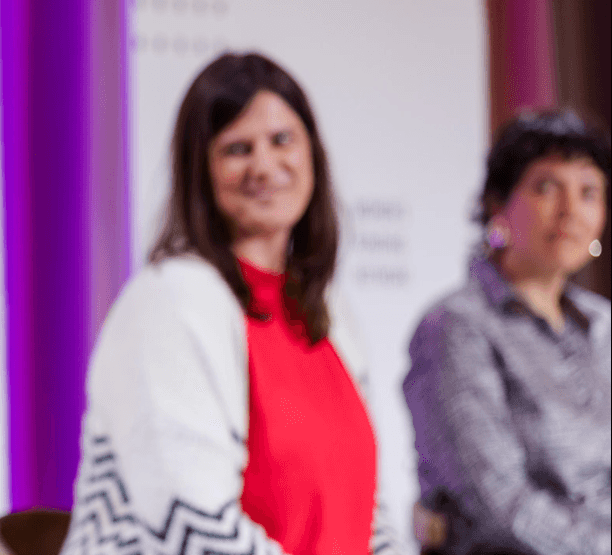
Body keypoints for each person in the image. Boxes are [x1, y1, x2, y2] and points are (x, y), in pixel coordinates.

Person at [60, 53, 399, 554]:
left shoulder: (327, 309)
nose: (264, 165)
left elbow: (371, 514)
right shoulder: (168, 300)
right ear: (201, 171)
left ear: (313, 154)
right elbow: (190, 523)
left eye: (282, 140)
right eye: (237, 149)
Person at [404, 111, 611, 555]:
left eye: (589, 192)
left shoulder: (602, 325)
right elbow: (498, 507)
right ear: (498, 205)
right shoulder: (456, 326)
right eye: (546, 187)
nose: (570, 211)